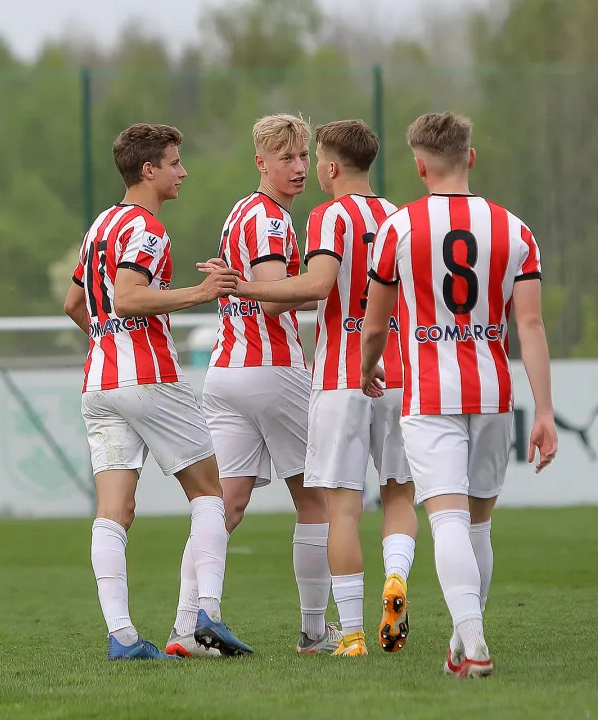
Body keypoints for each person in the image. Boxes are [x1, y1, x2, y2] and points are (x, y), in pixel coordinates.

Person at [362, 112, 558, 678]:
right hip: (493, 390)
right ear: (470, 158)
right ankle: (461, 643)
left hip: (429, 392)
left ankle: (473, 644)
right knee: (477, 526)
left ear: (419, 165)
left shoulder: (398, 229)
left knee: (445, 518)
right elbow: (532, 328)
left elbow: (375, 327)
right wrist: (543, 409)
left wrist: (369, 367)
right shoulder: (515, 229)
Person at [215, 119, 415, 657]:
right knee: (399, 494)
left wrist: (244, 287)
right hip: (398, 375)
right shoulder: (400, 217)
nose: (305, 169)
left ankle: (348, 633)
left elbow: (321, 284)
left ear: (328, 166)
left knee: (338, 508)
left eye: (311, 159)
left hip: (340, 377)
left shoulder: (329, 216)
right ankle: (396, 578)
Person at [62, 123, 253, 660]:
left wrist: (108, 345)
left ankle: (122, 638)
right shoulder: (148, 229)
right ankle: (205, 618)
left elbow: (77, 305)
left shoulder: (101, 223)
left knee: (114, 511)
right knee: (210, 492)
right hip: (148, 376)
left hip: (101, 381)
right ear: (149, 170)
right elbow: (127, 297)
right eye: (174, 162)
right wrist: (199, 292)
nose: (182, 171)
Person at [177, 113, 334, 655]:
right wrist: (332, 292)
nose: (297, 167)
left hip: (225, 372)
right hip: (272, 368)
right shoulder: (270, 220)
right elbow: (270, 294)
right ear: (260, 162)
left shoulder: (239, 212)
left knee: (224, 504)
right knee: (315, 499)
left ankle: (187, 627)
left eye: (302, 157)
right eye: (285, 157)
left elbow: (253, 288)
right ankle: (315, 632)